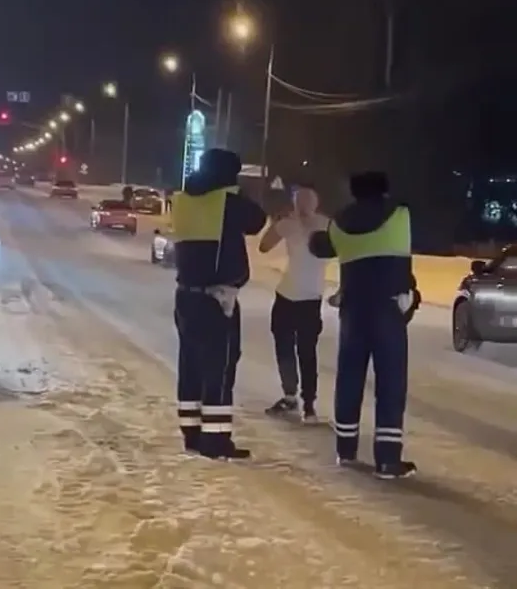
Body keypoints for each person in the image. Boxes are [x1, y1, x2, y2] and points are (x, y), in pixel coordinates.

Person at [309, 171, 420, 480]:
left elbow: (321, 247)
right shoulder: (400, 213)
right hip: (389, 307)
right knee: (390, 383)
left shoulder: (339, 222)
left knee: (349, 378)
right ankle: (387, 460)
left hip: (353, 309)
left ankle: (346, 449)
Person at [172, 148, 266, 460]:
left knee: (191, 365)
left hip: (185, 295)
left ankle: (192, 433)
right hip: (218, 298)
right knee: (219, 367)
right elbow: (257, 221)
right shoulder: (228, 201)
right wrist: (240, 191)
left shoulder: (183, 199)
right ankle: (215, 439)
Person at [259, 185, 329, 423]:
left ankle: (308, 403)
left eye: (306, 202)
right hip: (287, 295)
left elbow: (342, 251)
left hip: (310, 298)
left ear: (315, 204)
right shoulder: (290, 224)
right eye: (299, 202)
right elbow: (264, 246)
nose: (303, 206)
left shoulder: (326, 225)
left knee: (306, 351)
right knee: (286, 346)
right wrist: (277, 223)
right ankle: (291, 397)